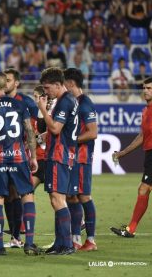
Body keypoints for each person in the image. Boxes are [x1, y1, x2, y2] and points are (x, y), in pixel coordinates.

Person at [0, 71, 40, 256]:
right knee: (27, 195)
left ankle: (0, 247)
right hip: (19, 157)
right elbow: (29, 131)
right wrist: (33, 156)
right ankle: (28, 243)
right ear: (5, 86)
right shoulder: (20, 105)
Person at [36, 67, 79, 255]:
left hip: (59, 155)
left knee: (58, 199)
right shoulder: (69, 100)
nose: (46, 92)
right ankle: (60, 243)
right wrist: (44, 134)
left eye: (47, 88)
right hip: (63, 153)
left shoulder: (63, 102)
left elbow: (55, 128)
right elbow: (61, 129)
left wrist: (42, 109)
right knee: (56, 199)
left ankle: (67, 244)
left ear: (57, 84)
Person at [110, 77, 152, 238]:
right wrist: (123, 153)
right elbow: (143, 136)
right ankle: (131, 228)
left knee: (144, 189)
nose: (145, 90)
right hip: (151, 154)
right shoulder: (146, 110)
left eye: (149, 88)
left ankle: (131, 228)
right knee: (144, 189)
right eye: (144, 88)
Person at [64, 68, 98, 251]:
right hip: (72, 158)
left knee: (84, 196)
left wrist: (71, 140)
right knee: (71, 197)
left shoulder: (85, 104)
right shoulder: (73, 103)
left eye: (63, 83)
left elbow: (93, 132)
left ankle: (91, 241)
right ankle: (76, 239)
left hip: (82, 158)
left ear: (70, 83)